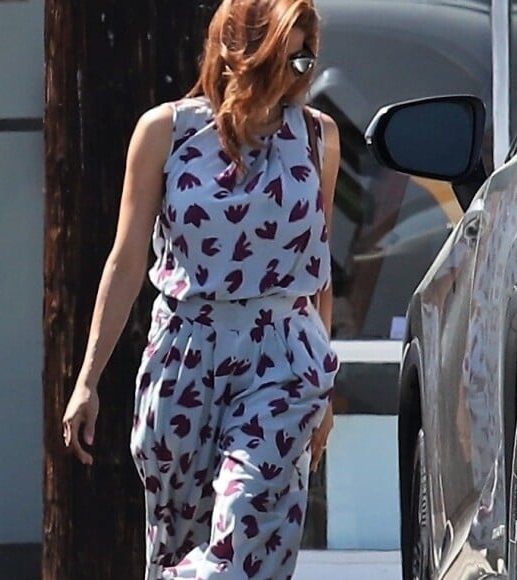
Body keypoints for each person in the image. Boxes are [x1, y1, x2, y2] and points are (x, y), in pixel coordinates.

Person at [62, 0, 340, 577]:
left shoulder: (318, 138)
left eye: (304, 61)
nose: (295, 77)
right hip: (186, 355)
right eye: (280, 61)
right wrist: (88, 380)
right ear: (239, 52)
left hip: (283, 357)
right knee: (177, 546)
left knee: (246, 529)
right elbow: (126, 259)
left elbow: (318, 266)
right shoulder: (165, 132)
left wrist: (325, 389)